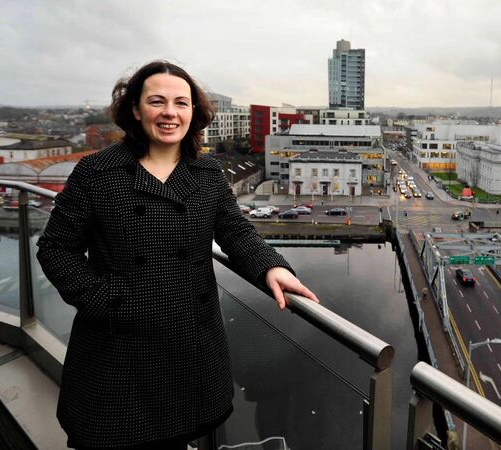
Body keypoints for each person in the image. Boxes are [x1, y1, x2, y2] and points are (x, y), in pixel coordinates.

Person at [36, 60, 318, 449]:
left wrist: (270, 266)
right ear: (135, 110)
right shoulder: (97, 172)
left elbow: (234, 230)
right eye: (158, 101)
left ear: (193, 113)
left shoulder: (207, 172)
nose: (170, 112)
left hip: (189, 344)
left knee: (176, 437)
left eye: (181, 103)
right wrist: (108, 302)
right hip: (117, 346)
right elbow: (56, 249)